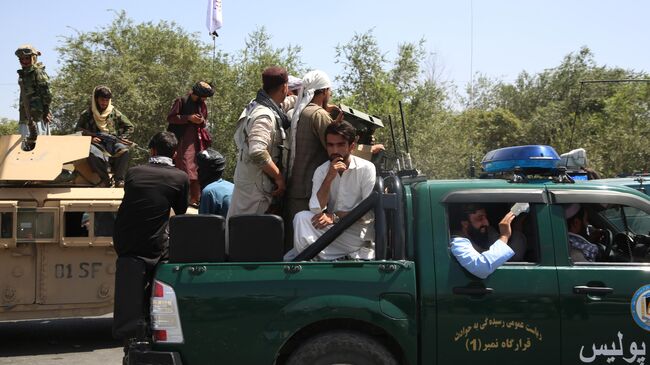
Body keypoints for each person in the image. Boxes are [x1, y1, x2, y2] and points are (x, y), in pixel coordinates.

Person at [112, 131, 189, 343]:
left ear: (152, 150)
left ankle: (128, 332)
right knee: (163, 277)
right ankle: (158, 325)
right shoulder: (179, 177)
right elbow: (180, 211)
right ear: (174, 154)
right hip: (155, 245)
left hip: (125, 242)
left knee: (129, 288)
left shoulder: (133, 173)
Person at [286, 122, 376, 261]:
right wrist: (329, 177)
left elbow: (368, 213)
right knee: (301, 218)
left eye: (340, 145)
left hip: (356, 234)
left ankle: (312, 260)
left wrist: (335, 217)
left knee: (297, 253)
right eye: (330, 145)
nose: (335, 150)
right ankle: (315, 260)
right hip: (332, 230)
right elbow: (316, 209)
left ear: (351, 146)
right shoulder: (322, 171)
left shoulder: (366, 169)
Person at [285, 70, 343, 249]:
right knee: (307, 247)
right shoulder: (318, 115)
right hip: (311, 192)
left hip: (296, 189)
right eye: (329, 91)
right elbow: (335, 148)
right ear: (324, 91)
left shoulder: (301, 112)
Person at [228, 66, 292, 217]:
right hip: (256, 190)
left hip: (249, 183)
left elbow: (283, 105)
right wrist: (279, 178)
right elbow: (257, 152)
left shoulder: (259, 104)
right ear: (284, 87)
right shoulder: (264, 116)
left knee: (237, 231)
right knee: (247, 234)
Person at [167, 81, 215, 205]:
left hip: (198, 140)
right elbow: (171, 118)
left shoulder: (202, 104)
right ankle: (182, 199)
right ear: (198, 93)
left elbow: (204, 120)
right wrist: (188, 118)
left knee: (199, 167)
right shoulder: (181, 101)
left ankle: (195, 199)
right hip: (182, 140)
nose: (205, 99)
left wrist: (200, 121)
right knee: (185, 168)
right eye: (204, 96)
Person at [76, 86, 134, 187]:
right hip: (96, 144)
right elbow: (77, 130)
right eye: (102, 100)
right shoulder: (87, 114)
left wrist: (122, 138)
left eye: (107, 100)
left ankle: (119, 180)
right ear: (96, 99)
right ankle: (105, 179)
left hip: (113, 143)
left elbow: (129, 127)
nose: (104, 103)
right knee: (90, 152)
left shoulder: (115, 113)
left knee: (125, 151)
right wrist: (91, 138)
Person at [450, 204, 520, 279]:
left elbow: (514, 254)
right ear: (465, 224)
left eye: (486, 218)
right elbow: (481, 268)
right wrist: (504, 236)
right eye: (480, 219)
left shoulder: (486, 232)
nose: (486, 223)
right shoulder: (457, 242)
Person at [15, 44, 52, 145]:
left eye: (27, 58)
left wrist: (46, 111)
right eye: (22, 59)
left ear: (33, 58)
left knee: (40, 146)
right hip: (25, 117)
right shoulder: (24, 74)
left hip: (38, 117)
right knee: (24, 146)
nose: (24, 61)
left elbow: (47, 94)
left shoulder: (38, 72)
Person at [197, 148, 233, 216]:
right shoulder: (232, 186)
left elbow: (203, 223)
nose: (197, 171)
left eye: (199, 168)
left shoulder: (208, 192)